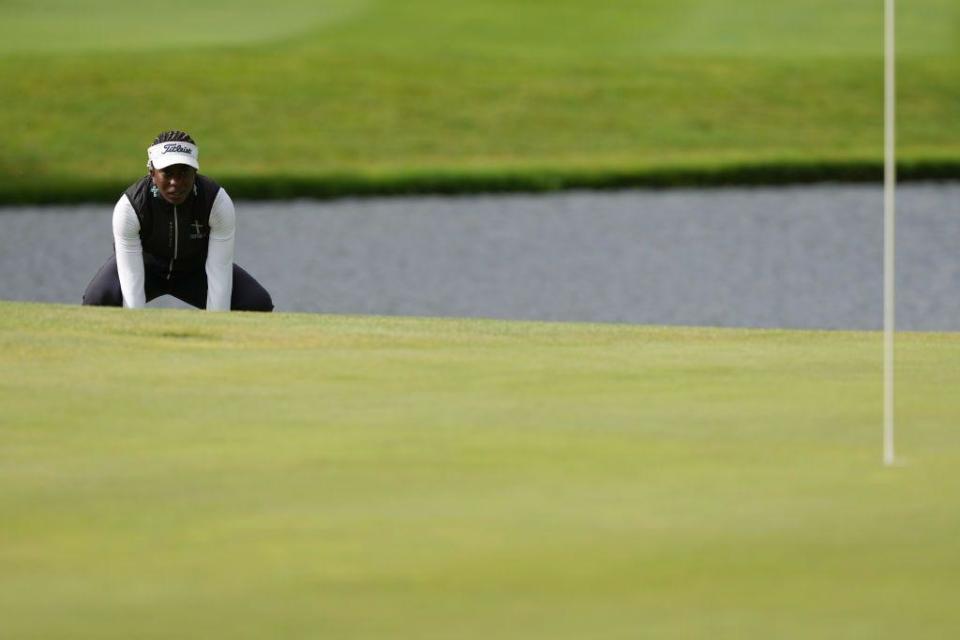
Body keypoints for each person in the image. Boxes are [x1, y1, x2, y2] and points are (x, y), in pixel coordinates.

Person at [82, 130, 273, 312]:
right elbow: (132, 285)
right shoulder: (130, 207)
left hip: (195, 270)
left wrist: (218, 329)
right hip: (145, 267)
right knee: (97, 299)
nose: (176, 182)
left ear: (195, 172)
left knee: (256, 302)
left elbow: (219, 269)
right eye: (167, 173)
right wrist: (135, 328)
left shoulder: (216, 201)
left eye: (184, 172)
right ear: (152, 173)